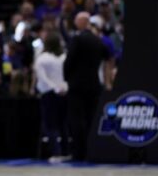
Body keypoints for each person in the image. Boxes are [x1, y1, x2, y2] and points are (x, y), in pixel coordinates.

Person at [63, 12, 112, 161]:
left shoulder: (77, 39)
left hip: (77, 85)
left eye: (77, 21)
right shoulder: (98, 40)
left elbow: (69, 62)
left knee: (76, 119)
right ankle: (91, 150)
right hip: (94, 85)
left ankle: (79, 152)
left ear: (83, 22)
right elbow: (109, 57)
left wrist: (67, 78)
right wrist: (107, 80)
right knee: (91, 119)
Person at [33, 31, 69, 162]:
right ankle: (65, 151)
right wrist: (63, 87)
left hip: (50, 93)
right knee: (62, 123)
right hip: (63, 92)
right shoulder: (64, 57)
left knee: (51, 124)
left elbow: (42, 78)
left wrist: (55, 88)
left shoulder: (42, 58)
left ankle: (57, 152)